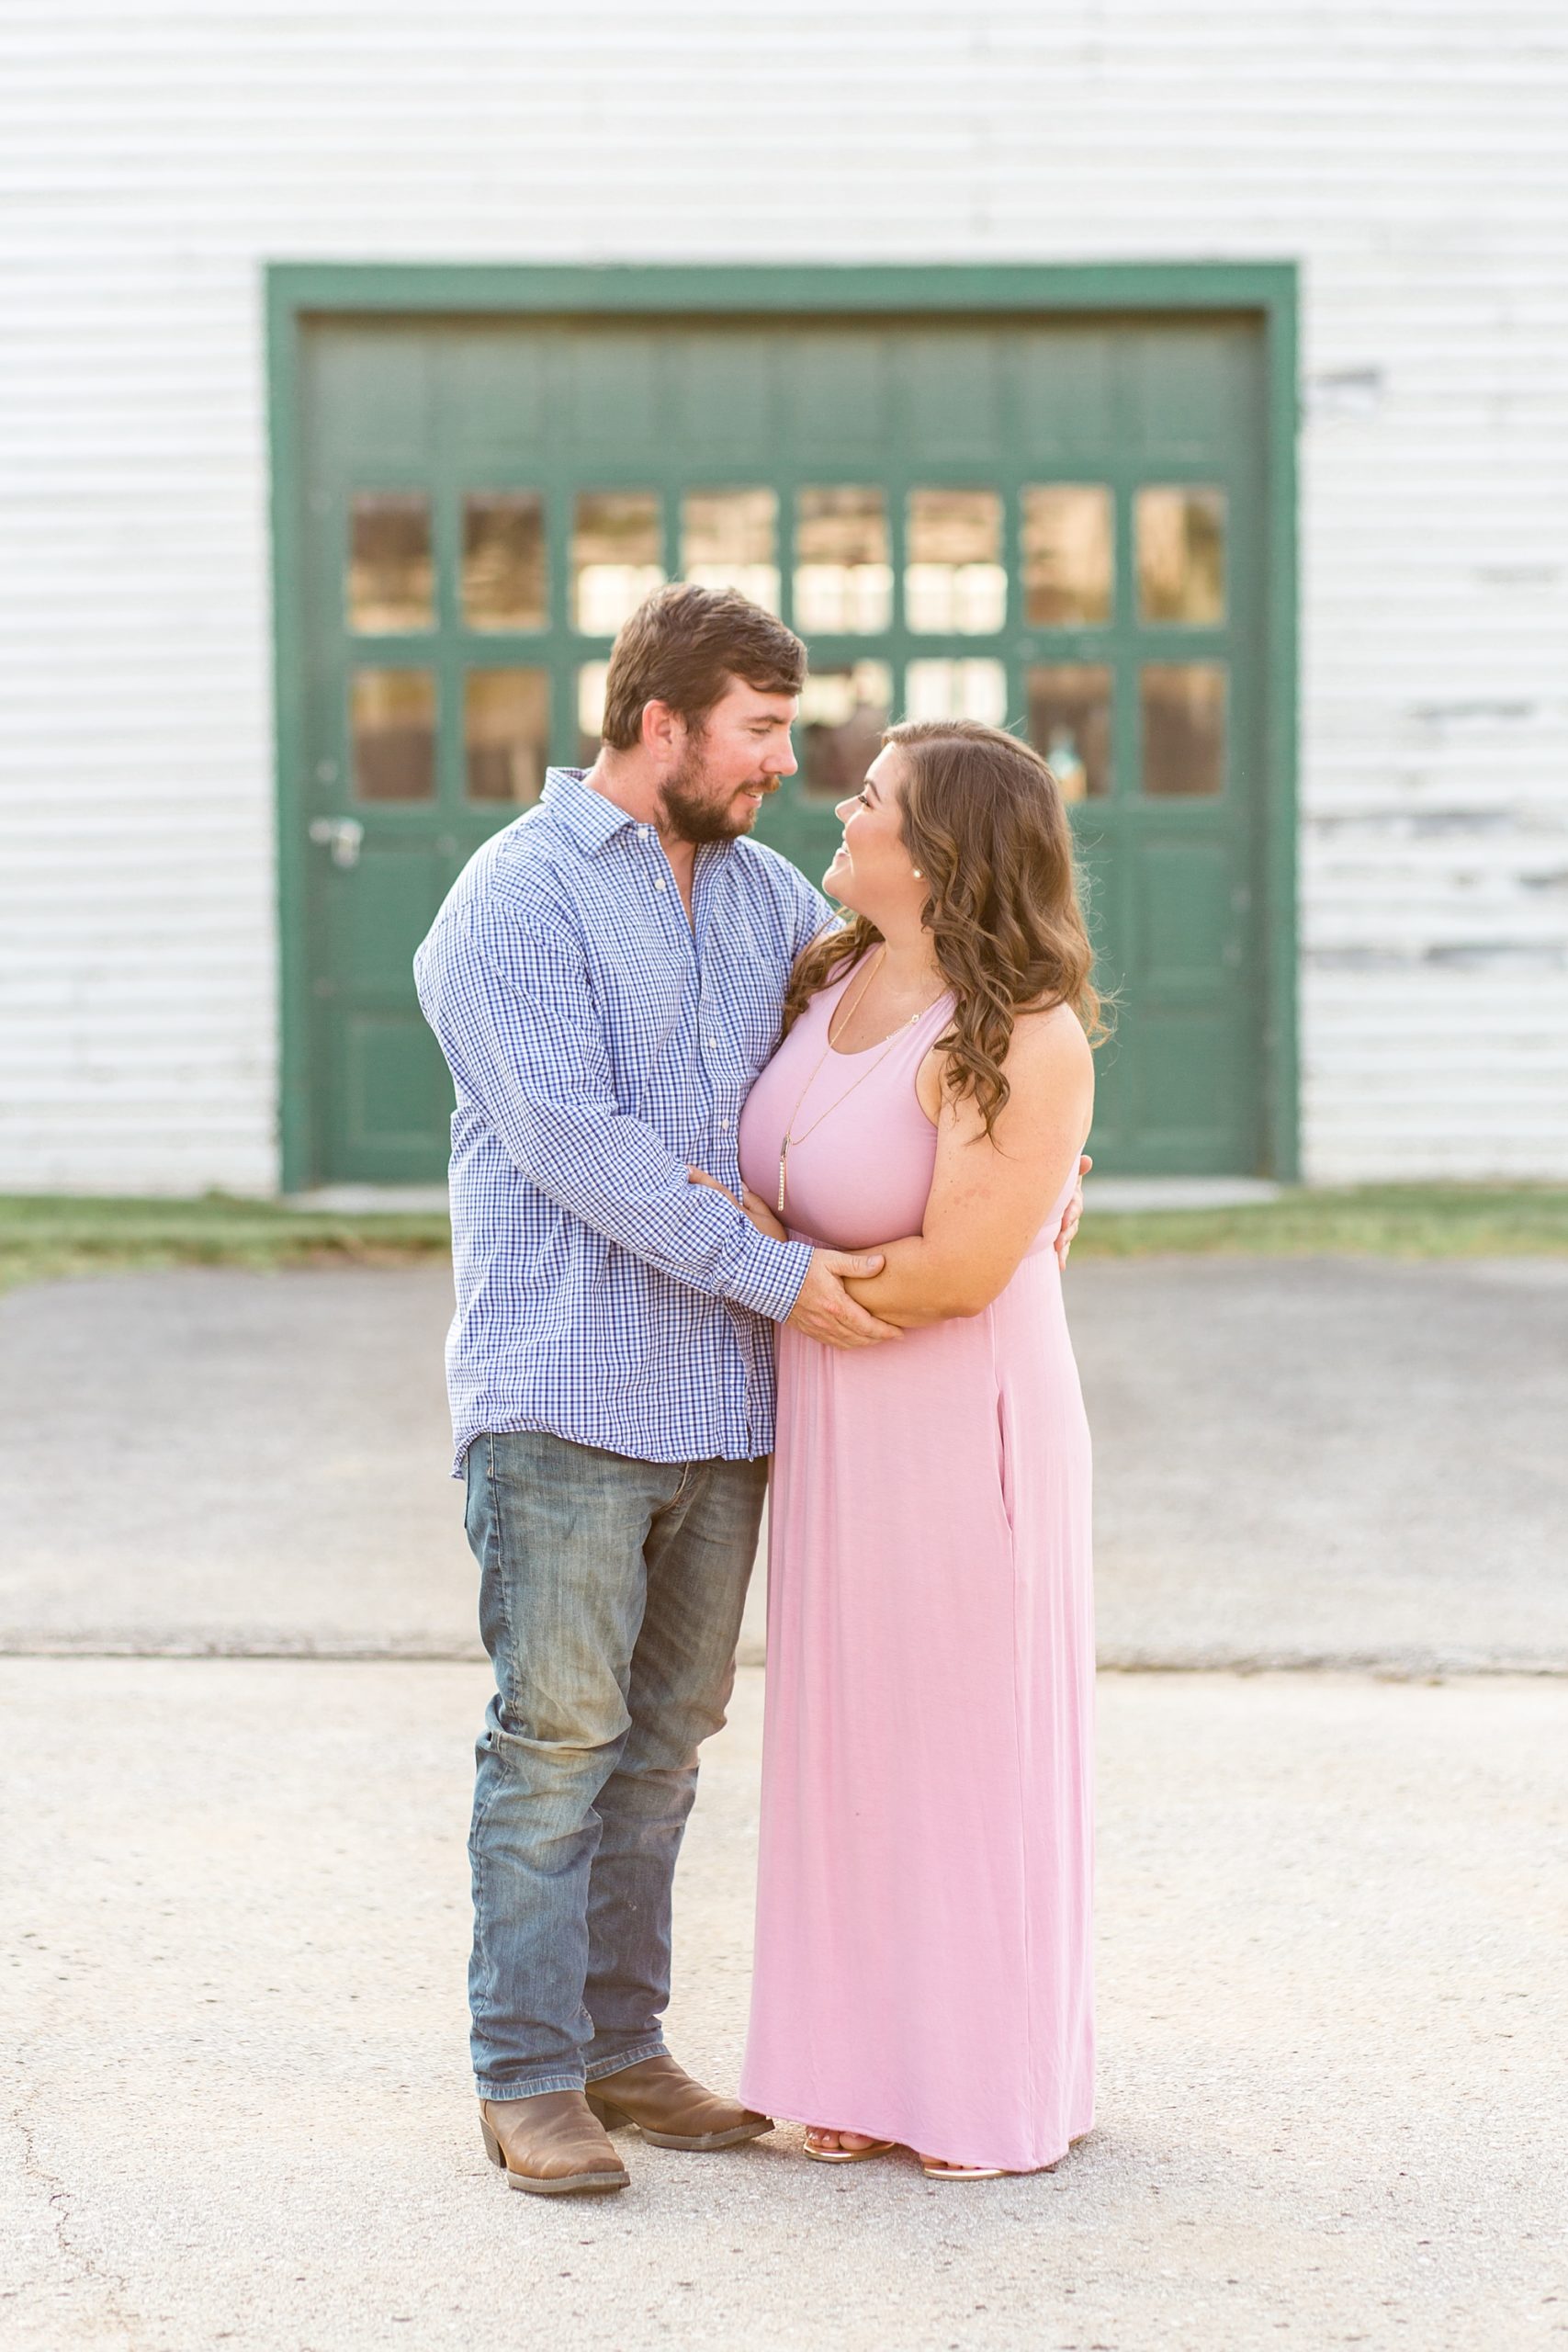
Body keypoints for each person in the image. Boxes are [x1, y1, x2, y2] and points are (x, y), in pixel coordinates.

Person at [415, 583, 1085, 2199]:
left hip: (726, 1406)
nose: (792, 761)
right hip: (571, 1393)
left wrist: (1039, 1179)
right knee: (558, 1740)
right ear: (663, 724)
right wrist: (782, 1275)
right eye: (763, 730)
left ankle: (625, 2051)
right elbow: (574, 1144)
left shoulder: (770, 895)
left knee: (664, 1747)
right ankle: (528, 2077)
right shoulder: (512, 898)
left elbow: (915, 1056)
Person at [725, 718, 1100, 2179]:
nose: (842, 806)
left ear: (939, 850)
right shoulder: (829, 973)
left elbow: (957, 1274)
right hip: (836, 1412)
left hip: (961, 1418)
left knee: (962, 1745)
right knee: (852, 1744)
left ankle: (982, 2086)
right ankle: (857, 2068)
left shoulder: (1024, 1037)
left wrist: (761, 1260)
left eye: (871, 797)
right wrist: (759, 1244)